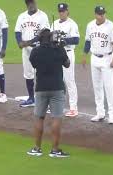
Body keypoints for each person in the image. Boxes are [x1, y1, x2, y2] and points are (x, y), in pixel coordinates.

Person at [27, 29, 70, 158]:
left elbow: (34, 64)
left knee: (39, 117)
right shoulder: (58, 49)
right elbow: (67, 64)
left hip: (41, 88)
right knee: (56, 118)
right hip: (57, 88)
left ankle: (37, 148)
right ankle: (55, 150)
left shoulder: (35, 51)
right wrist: (61, 47)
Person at [82, 5, 113, 124]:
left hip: (107, 58)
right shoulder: (90, 25)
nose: (102, 16)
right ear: (95, 14)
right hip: (94, 58)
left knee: (108, 86)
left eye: (103, 13)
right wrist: (84, 55)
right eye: (100, 14)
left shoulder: (110, 26)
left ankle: (112, 114)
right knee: (97, 86)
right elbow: (87, 41)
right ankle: (100, 112)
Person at [15, 0, 50, 107]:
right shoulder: (21, 16)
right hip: (26, 50)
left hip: (39, 49)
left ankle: (44, 99)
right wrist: (20, 42)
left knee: (42, 74)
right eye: (29, 3)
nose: (31, 5)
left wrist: (29, 42)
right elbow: (17, 31)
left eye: (33, 2)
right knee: (28, 74)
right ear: (26, 4)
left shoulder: (42, 16)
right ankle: (31, 98)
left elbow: (45, 34)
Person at [51, 3, 80, 117]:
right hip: (56, 54)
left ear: (67, 11)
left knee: (69, 81)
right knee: (57, 80)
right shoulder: (54, 23)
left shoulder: (72, 24)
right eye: (60, 11)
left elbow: (76, 40)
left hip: (67, 54)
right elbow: (50, 37)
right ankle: (57, 105)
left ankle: (73, 108)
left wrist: (64, 41)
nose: (61, 13)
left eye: (63, 11)